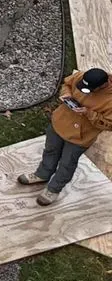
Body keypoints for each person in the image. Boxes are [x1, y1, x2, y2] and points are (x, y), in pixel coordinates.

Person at [20, 67, 112, 205]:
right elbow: (67, 84)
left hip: (80, 137)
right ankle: (42, 174)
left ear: (103, 85)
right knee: (50, 151)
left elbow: (109, 125)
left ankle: (54, 189)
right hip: (60, 123)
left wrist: (89, 113)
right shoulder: (82, 77)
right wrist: (66, 94)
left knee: (67, 163)